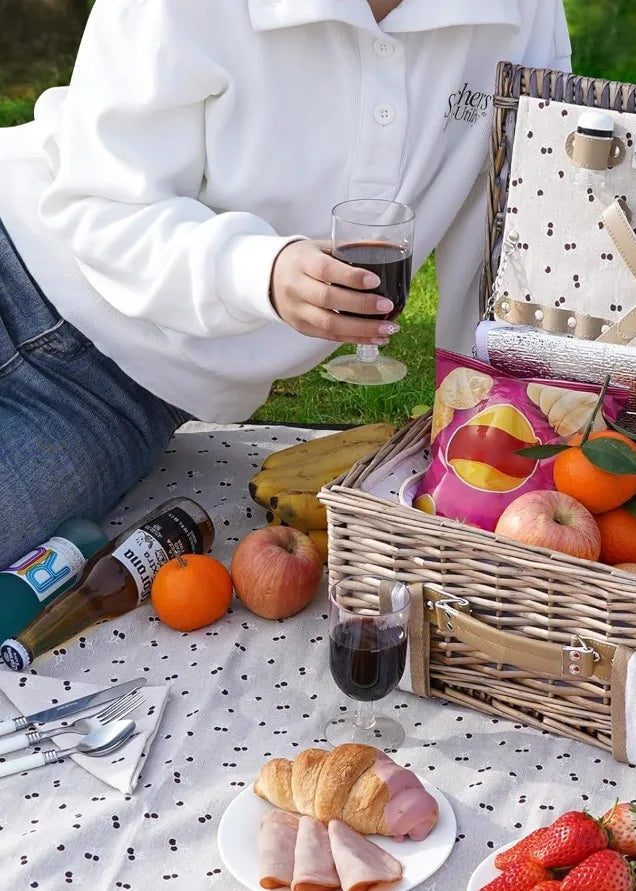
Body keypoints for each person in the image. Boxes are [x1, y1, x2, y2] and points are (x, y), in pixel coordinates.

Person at [0, 0, 571, 568]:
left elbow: (517, 229)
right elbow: (97, 202)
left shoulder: (524, 13)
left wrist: (485, 424)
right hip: (17, 251)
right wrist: (257, 272)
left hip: (121, 398)